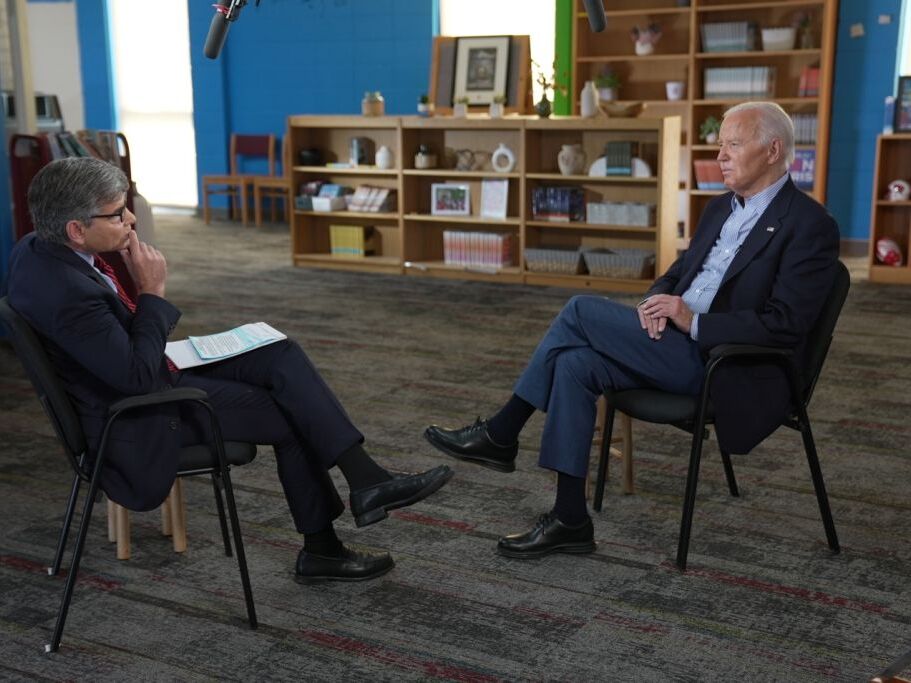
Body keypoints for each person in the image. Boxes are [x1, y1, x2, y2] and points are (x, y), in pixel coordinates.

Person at [5, 156, 453, 583]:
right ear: (76, 230)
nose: (131, 221)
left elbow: (117, 355)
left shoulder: (37, 248)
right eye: (117, 214)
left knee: (280, 352)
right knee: (293, 413)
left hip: (138, 376)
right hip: (140, 417)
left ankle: (366, 479)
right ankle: (324, 548)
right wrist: (152, 291)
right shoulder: (68, 294)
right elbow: (137, 380)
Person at [425, 101, 840, 559]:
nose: (720, 155)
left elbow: (785, 324)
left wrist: (691, 320)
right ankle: (570, 519)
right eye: (720, 144)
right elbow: (677, 273)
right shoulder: (720, 208)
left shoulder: (810, 226)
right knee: (575, 363)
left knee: (579, 309)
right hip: (671, 343)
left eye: (733, 144)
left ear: (772, 150)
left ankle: (502, 434)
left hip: (723, 363)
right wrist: (654, 304)